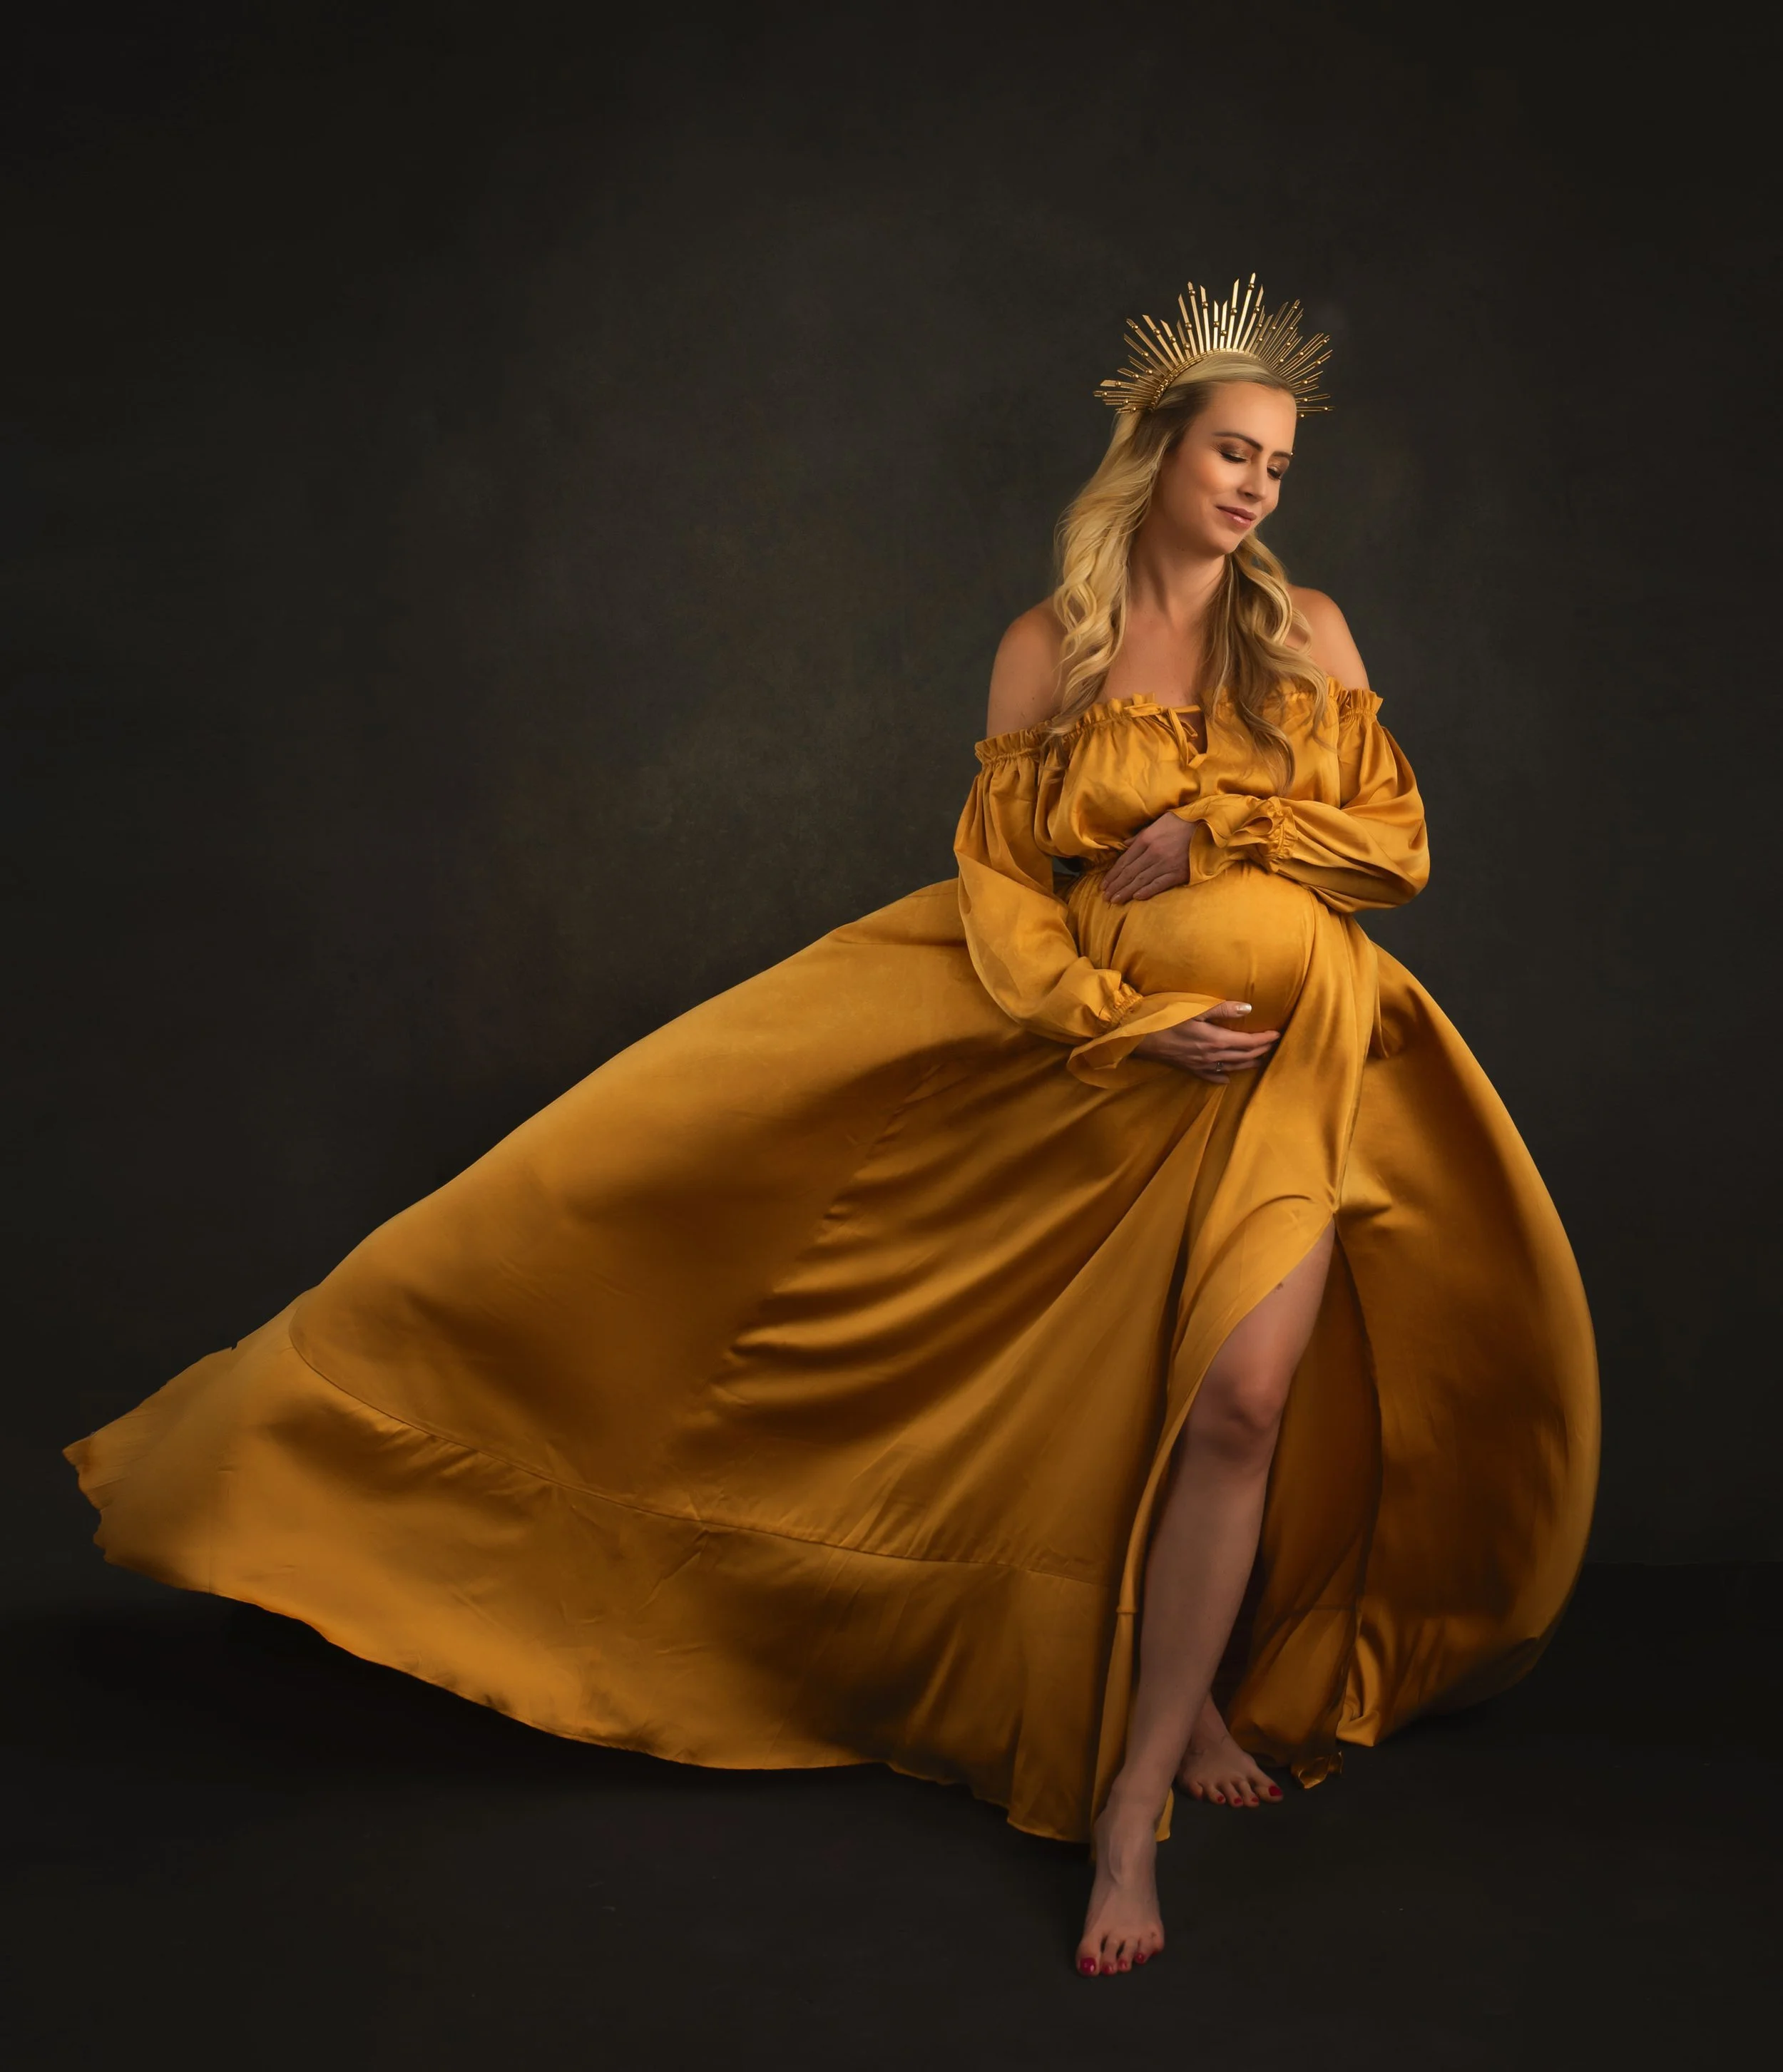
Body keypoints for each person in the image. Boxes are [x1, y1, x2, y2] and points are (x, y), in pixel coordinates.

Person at [66, 276, 1598, 1980]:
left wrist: (1212, 819)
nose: (1253, 488)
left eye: (1277, 467)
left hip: (1295, 1062)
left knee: (1243, 1404)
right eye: (1230, 453)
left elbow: (1390, 844)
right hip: (1115, 1085)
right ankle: (1151, 1728)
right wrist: (1117, 1016)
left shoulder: (1302, 630)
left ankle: (1138, 1790)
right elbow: (1008, 902)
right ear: (1157, 450)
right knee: (1107, 1411)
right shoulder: (1050, 652)